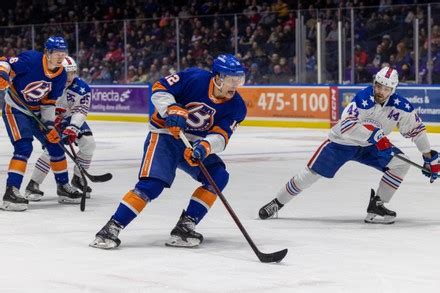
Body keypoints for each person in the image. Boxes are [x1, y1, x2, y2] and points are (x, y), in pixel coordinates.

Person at [90, 54, 247, 249]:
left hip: (194, 144)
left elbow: (222, 136)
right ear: (217, 77)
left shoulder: (237, 106)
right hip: (164, 135)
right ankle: (111, 229)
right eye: (231, 80)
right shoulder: (194, 78)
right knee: (152, 185)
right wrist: (172, 109)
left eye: (239, 80)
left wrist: (204, 148)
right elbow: (159, 88)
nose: (235, 85)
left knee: (218, 176)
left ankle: (185, 227)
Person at [259, 66, 439, 224]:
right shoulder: (363, 99)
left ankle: (377, 205)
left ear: (393, 89)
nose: (380, 91)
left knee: (401, 164)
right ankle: (277, 202)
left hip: (370, 147)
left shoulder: (401, 106)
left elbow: (417, 130)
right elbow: (346, 125)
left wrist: (428, 156)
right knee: (309, 176)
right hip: (341, 143)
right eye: (378, 85)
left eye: (386, 88)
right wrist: (375, 135)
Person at [0, 36, 82, 211]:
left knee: (56, 145)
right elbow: (5, 61)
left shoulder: (60, 75)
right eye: (57, 53)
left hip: (36, 112)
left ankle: (63, 187)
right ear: (48, 53)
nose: (61, 57)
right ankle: (11, 192)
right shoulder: (31, 60)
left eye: (63, 53)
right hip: (15, 109)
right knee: (24, 147)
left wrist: (50, 125)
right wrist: (2, 74)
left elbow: (48, 103)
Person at [24, 56, 95, 201]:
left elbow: (80, 110)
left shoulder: (81, 87)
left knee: (88, 143)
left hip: (67, 119)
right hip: (47, 120)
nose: (69, 77)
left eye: (72, 72)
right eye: (66, 72)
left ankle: (78, 179)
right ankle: (33, 184)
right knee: (52, 149)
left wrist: (73, 127)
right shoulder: (47, 83)